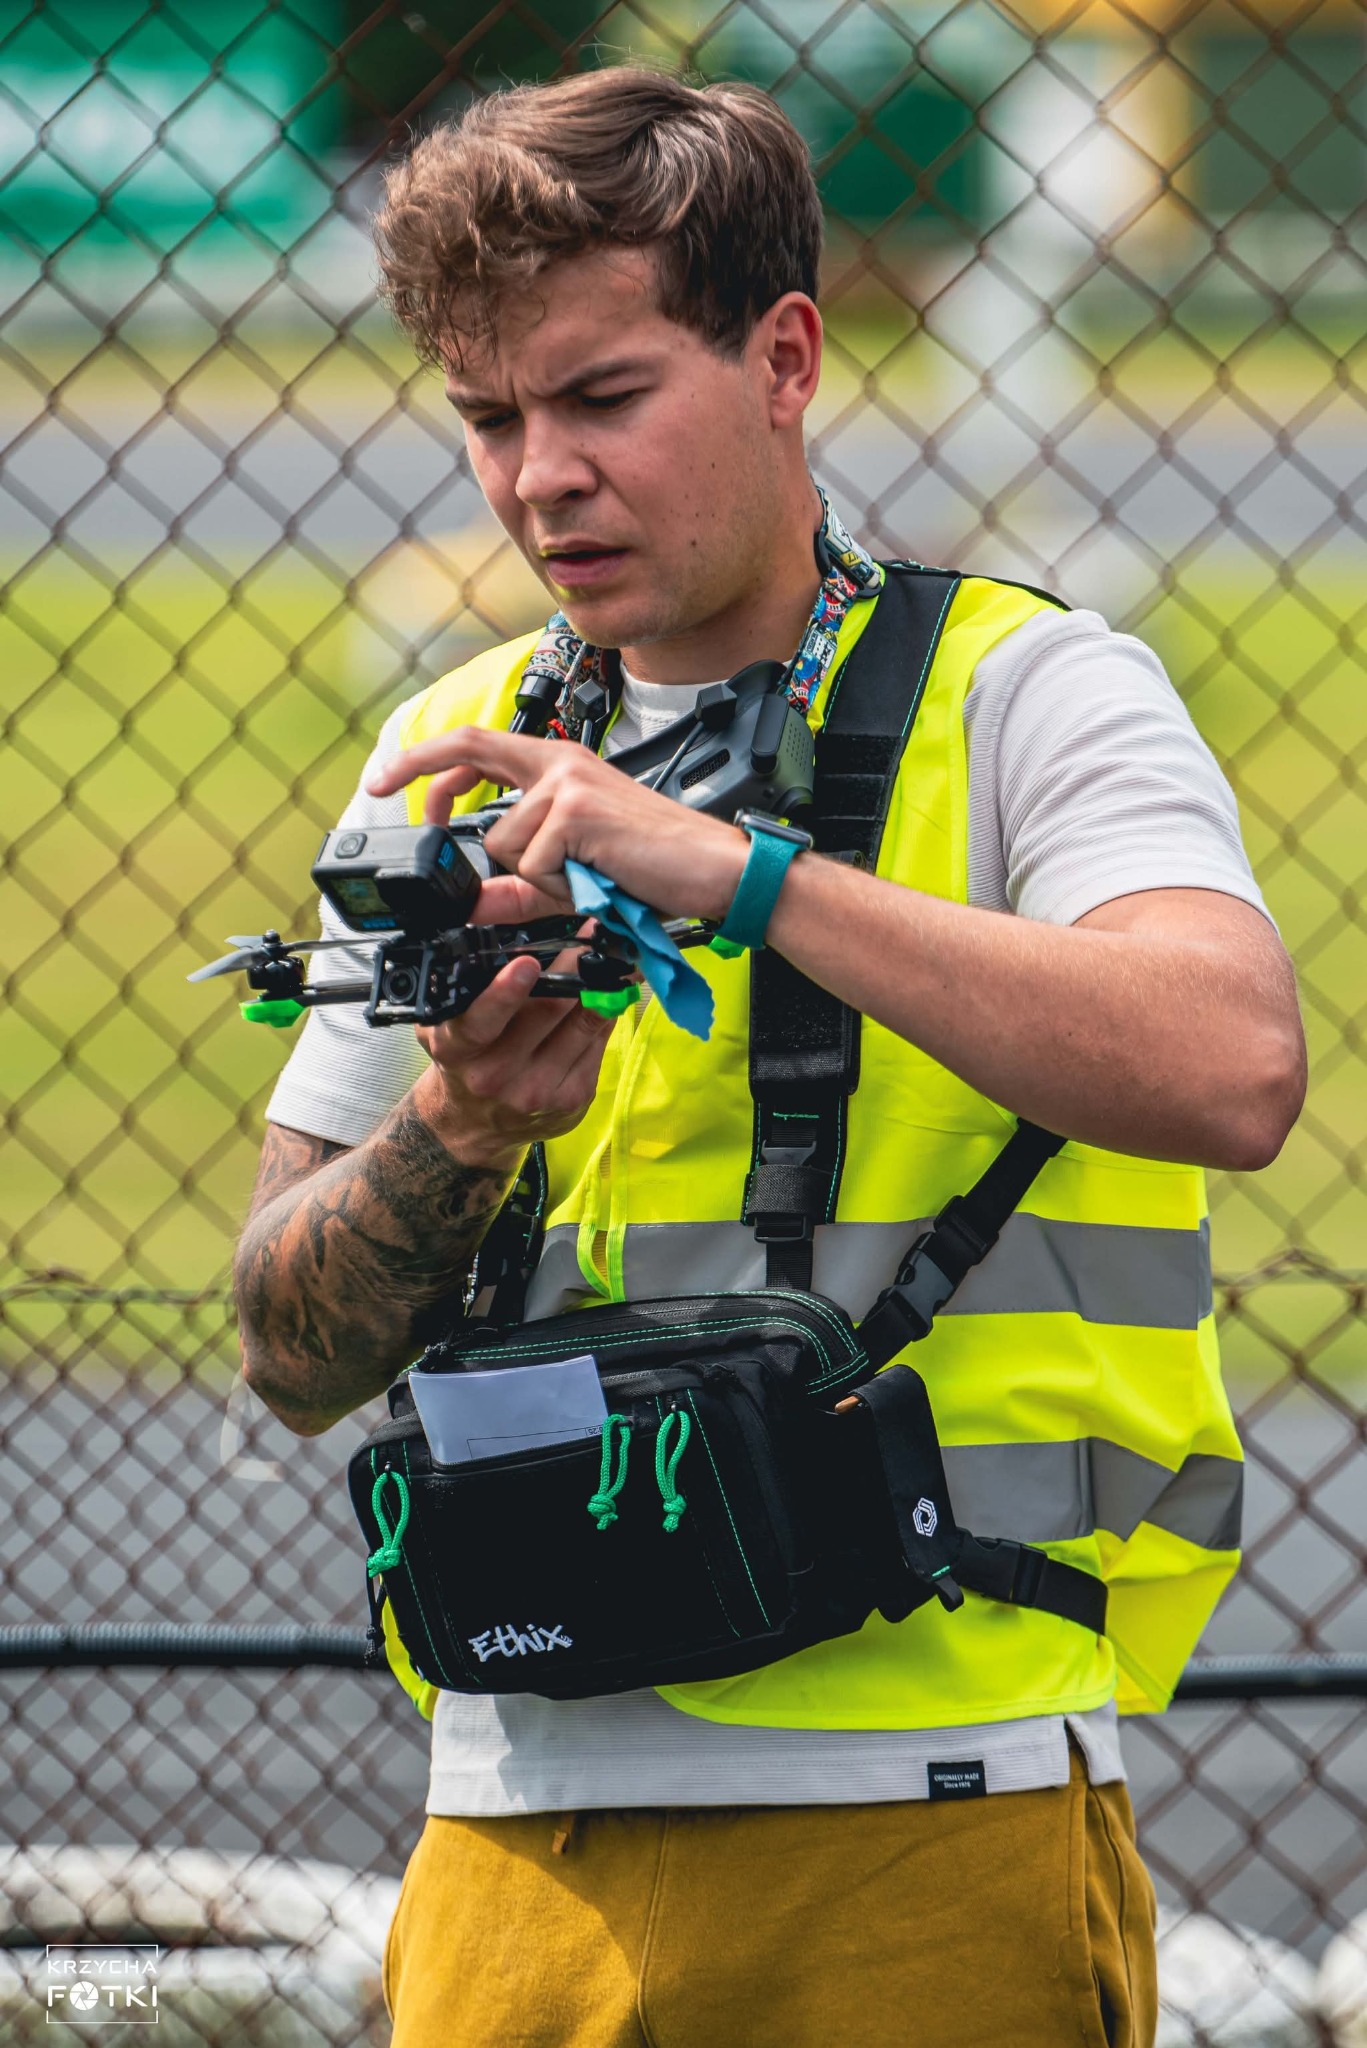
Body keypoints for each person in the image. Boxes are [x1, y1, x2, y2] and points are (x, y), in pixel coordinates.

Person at [232, 67, 1305, 2048]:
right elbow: (288, 1344)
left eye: (601, 397)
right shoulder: (447, 745)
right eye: (489, 418)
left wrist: (738, 874)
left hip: (938, 1801)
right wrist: (458, 1125)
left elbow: (1231, 1064)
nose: (537, 474)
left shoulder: (1034, 691)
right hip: (513, 1826)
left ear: (785, 353)